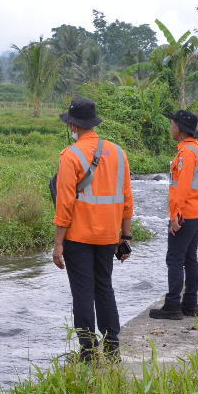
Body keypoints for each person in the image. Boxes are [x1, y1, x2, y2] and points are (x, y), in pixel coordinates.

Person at [52, 96, 134, 362]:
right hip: (109, 236)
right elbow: (126, 199)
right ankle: (112, 346)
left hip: (78, 236)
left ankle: (87, 350)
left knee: (83, 293)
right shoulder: (118, 152)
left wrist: (58, 244)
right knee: (104, 288)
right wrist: (125, 236)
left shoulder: (71, 155)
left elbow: (64, 204)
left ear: (73, 125)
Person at [150, 109, 198, 320]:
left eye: (173, 124)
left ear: (181, 129)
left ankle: (173, 305)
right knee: (190, 258)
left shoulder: (186, 153)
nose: (171, 127)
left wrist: (175, 215)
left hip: (186, 214)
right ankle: (190, 303)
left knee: (175, 259)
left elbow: (182, 187)